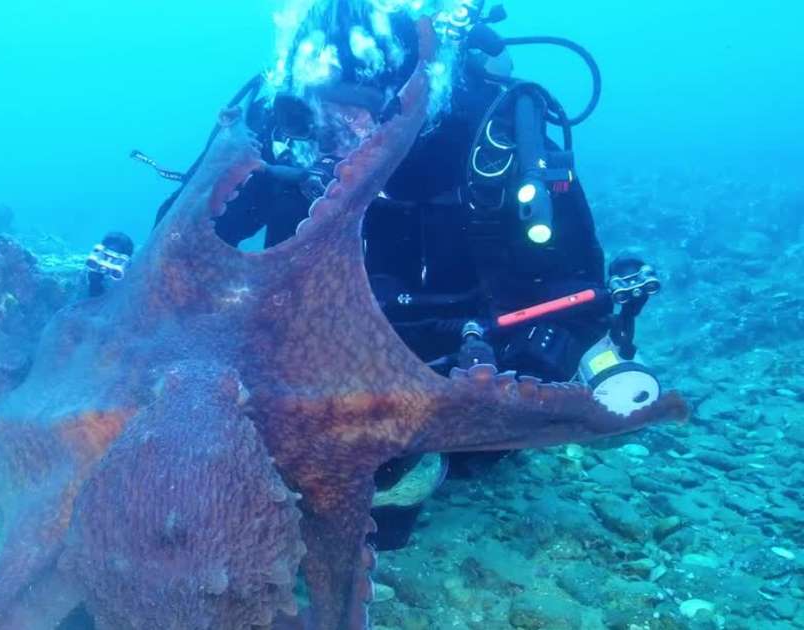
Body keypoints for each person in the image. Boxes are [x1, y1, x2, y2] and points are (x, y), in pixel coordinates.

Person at [141, 0, 663, 551]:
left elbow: (576, 296)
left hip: (453, 353)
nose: (330, 134)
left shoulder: (492, 141)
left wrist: (491, 379)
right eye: (309, 110)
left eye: (353, 112)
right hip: (305, 358)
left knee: (416, 495)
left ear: (412, 97)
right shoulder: (278, 132)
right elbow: (178, 254)